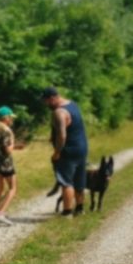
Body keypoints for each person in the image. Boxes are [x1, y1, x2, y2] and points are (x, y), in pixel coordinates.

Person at [42, 86, 88, 216]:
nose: (45, 104)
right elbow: (71, 125)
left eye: (45, 101)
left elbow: (62, 135)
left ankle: (67, 212)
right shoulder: (73, 104)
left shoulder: (59, 112)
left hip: (68, 150)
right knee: (79, 180)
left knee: (66, 181)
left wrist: (57, 152)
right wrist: (53, 135)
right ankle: (80, 209)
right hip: (82, 147)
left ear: (52, 98)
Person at [0, 105, 19, 226]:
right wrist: (14, 144)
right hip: (5, 164)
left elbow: (0, 146)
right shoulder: (6, 130)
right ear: (5, 117)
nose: (11, 120)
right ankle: (0, 214)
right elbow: (7, 150)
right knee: (12, 188)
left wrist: (15, 146)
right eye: (10, 117)